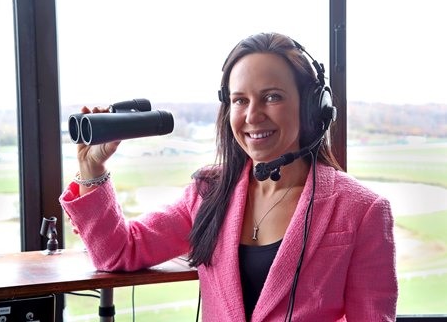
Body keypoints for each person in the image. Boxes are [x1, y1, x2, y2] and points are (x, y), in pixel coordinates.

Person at [59, 32, 398, 321]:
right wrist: (93, 169)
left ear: (312, 108)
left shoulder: (362, 211)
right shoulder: (209, 192)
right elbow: (119, 252)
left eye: (272, 97)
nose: (253, 115)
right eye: (240, 100)